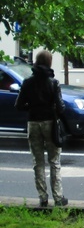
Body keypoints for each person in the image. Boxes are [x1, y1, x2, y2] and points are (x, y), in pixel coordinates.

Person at [15, 50, 68, 207]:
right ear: (49, 63)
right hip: (50, 124)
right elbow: (61, 108)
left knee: (37, 162)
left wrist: (32, 107)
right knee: (54, 161)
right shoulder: (53, 83)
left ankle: (42, 197)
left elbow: (18, 105)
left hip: (33, 123)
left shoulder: (27, 82)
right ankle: (58, 198)